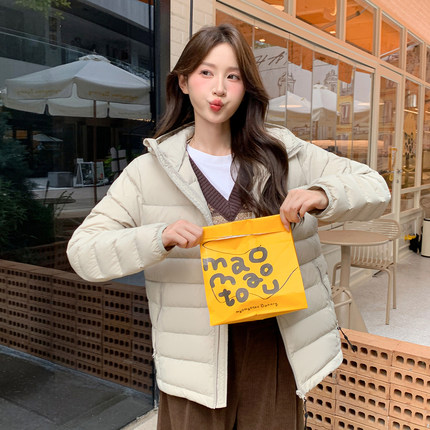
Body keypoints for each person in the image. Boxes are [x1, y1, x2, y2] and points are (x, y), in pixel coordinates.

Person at [67, 23, 390, 429]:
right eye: (206, 72)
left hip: (273, 344)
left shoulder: (284, 153)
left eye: (233, 76)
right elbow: (83, 252)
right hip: (195, 363)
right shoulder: (148, 172)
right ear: (183, 81)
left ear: (246, 86)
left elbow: (375, 187)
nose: (219, 88)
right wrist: (157, 237)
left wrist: (323, 193)